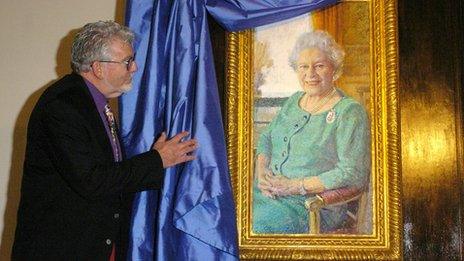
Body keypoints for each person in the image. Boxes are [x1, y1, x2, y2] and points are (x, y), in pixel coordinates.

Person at [12, 21, 197, 260]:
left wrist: (160, 161)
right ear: (98, 68)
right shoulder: (62, 106)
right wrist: (156, 160)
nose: (135, 67)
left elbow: (110, 177)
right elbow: (93, 180)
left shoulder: (93, 104)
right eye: (127, 61)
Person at [252, 31, 370, 234]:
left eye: (319, 66)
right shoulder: (294, 101)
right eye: (303, 67)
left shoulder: (349, 112)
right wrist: (261, 173)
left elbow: (352, 172)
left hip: (312, 206)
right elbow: (266, 138)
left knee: (251, 226)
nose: (310, 74)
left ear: (335, 70)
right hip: (267, 193)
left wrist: (296, 186)